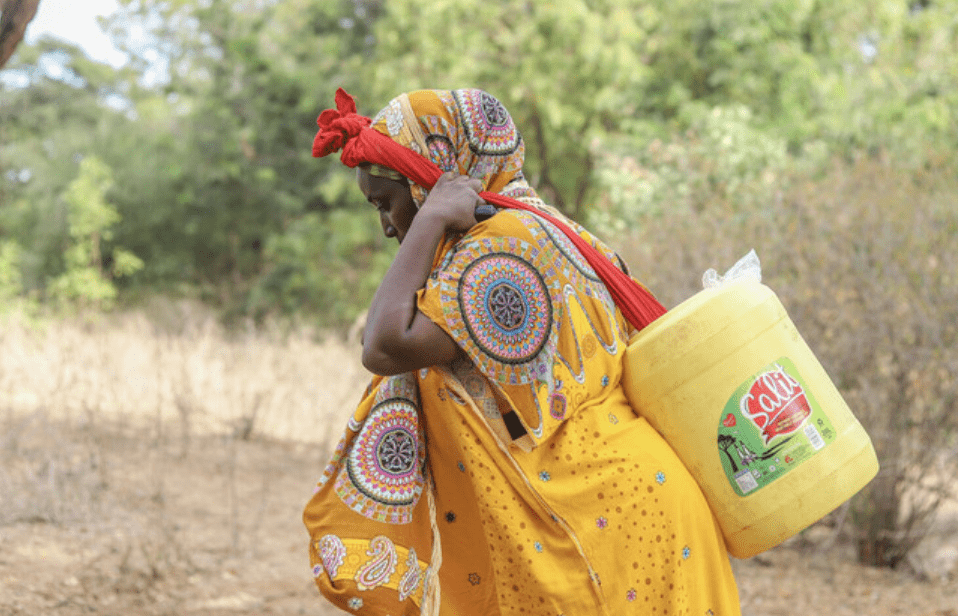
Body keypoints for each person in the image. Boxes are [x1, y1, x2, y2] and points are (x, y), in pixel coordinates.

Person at [303, 88, 741, 616]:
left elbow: (384, 344)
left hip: (605, 524)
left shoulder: (506, 245)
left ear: (430, 181)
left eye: (385, 203)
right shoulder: (532, 232)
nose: (388, 224)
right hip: (603, 510)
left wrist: (432, 217)